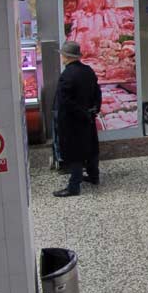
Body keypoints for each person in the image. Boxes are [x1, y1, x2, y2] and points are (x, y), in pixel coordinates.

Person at [53, 41, 102, 198]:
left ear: (66, 57)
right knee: (91, 148)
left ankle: (74, 186)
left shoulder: (67, 75)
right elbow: (97, 92)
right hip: (88, 118)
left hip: (72, 121)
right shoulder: (88, 70)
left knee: (74, 152)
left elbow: (65, 101)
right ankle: (94, 176)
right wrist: (93, 110)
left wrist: (80, 113)